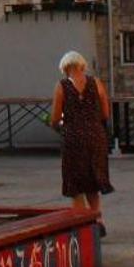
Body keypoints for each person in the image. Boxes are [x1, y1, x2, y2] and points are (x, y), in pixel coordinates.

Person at [51, 50, 113, 221]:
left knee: (76, 186)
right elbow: (106, 114)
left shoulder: (62, 86)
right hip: (95, 137)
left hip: (74, 140)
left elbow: (55, 118)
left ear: (65, 68)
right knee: (93, 184)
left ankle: (82, 223)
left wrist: (63, 124)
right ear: (82, 65)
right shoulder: (97, 83)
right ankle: (97, 221)